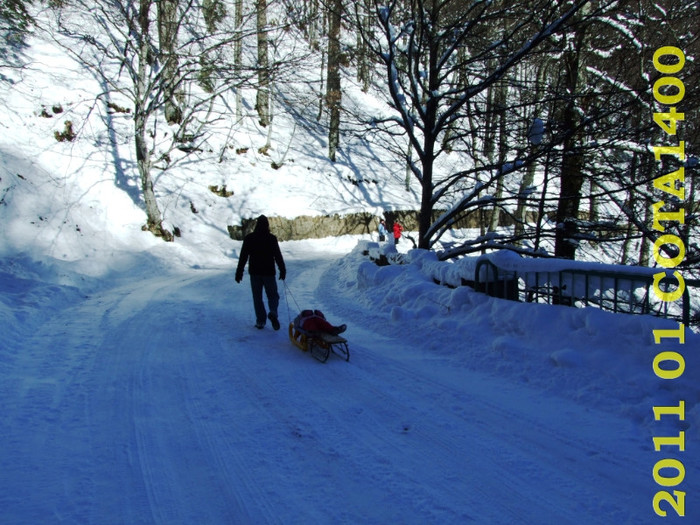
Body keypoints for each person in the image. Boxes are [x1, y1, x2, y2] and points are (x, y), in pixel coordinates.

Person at [235, 215, 286, 330]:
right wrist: (282, 270)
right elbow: (278, 255)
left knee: (257, 297)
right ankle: (273, 312)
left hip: (255, 273)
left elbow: (243, 256)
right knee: (273, 296)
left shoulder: (249, 238)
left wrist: (239, 272)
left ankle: (260, 321)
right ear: (267, 225)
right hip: (269, 273)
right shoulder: (271, 238)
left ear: (257, 225)